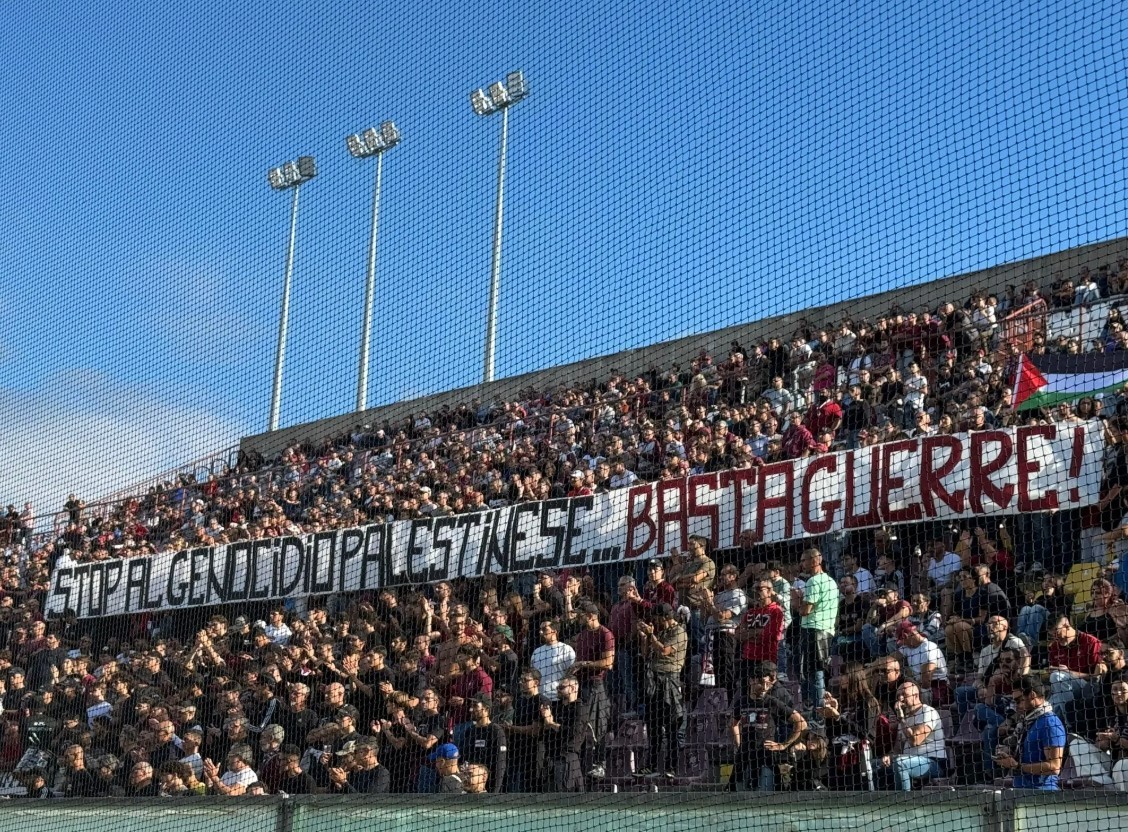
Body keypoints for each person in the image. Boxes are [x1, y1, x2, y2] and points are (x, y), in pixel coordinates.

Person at [730, 661, 806, 791]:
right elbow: (733, 724)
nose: (764, 687)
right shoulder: (741, 702)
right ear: (751, 681)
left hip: (766, 757)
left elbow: (801, 723)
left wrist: (783, 745)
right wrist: (738, 743)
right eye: (761, 683)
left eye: (768, 684)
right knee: (738, 798)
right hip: (744, 759)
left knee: (766, 798)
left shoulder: (772, 702)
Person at [636, 603, 687, 778]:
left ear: (664, 617)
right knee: (654, 726)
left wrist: (652, 635)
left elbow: (665, 651)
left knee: (672, 725)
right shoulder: (661, 632)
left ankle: (671, 766)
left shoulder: (678, 632)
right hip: (654, 680)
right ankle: (650, 765)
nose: (654, 621)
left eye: (656, 617)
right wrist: (645, 638)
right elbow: (646, 654)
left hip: (669, 680)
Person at [992, 677, 1066, 790]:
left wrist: (1017, 766)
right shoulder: (1029, 722)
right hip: (1022, 791)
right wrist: (1010, 754)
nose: (1016, 706)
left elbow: (1054, 767)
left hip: (1042, 794)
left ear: (1032, 695)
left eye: (1018, 701)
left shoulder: (1050, 723)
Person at [877, 681, 946, 791]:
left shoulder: (928, 712)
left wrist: (901, 719)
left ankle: (904, 803)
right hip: (908, 760)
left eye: (904, 694)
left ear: (916, 695)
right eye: (898, 695)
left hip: (933, 762)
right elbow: (897, 748)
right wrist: (889, 757)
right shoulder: (905, 718)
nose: (900, 698)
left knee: (900, 764)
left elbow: (915, 741)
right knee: (875, 765)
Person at [794, 548, 839, 712]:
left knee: (811, 672)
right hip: (827, 630)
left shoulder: (813, 581)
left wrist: (796, 600)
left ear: (815, 561)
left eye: (804, 560)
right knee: (817, 670)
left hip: (813, 629)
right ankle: (818, 706)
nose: (801, 564)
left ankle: (816, 707)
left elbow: (805, 610)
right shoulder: (831, 582)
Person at [541, 675, 591, 792]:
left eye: (561, 687)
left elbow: (573, 732)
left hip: (567, 759)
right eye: (557, 687)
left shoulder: (580, 708)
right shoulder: (557, 707)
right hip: (552, 759)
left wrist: (551, 723)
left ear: (573, 688)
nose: (558, 690)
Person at [894, 622, 951, 707]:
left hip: (937, 690)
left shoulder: (929, 648)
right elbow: (890, 659)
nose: (902, 644)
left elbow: (926, 682)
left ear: (906, 636)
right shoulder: (908, 647)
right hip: (921, 686)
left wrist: (910, 681)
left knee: (908, 694)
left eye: (902, 641)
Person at [461, 695, 507, 793]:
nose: (471, 709)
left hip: (487, 788)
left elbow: (500, 765)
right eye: (471, 706)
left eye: (475, 706)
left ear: (486, 708)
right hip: (470, 785)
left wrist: (494, 792)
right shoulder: (470, 731)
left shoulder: (496, 731)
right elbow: (464, 757)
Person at [530, 620, 575, 702]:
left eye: (544, 629)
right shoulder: (536, 652)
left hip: (557, 698)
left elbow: (571, 674)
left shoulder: (566, 649)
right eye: (540, 629)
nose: (540, 632)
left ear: (554, 631)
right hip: (538, 698)